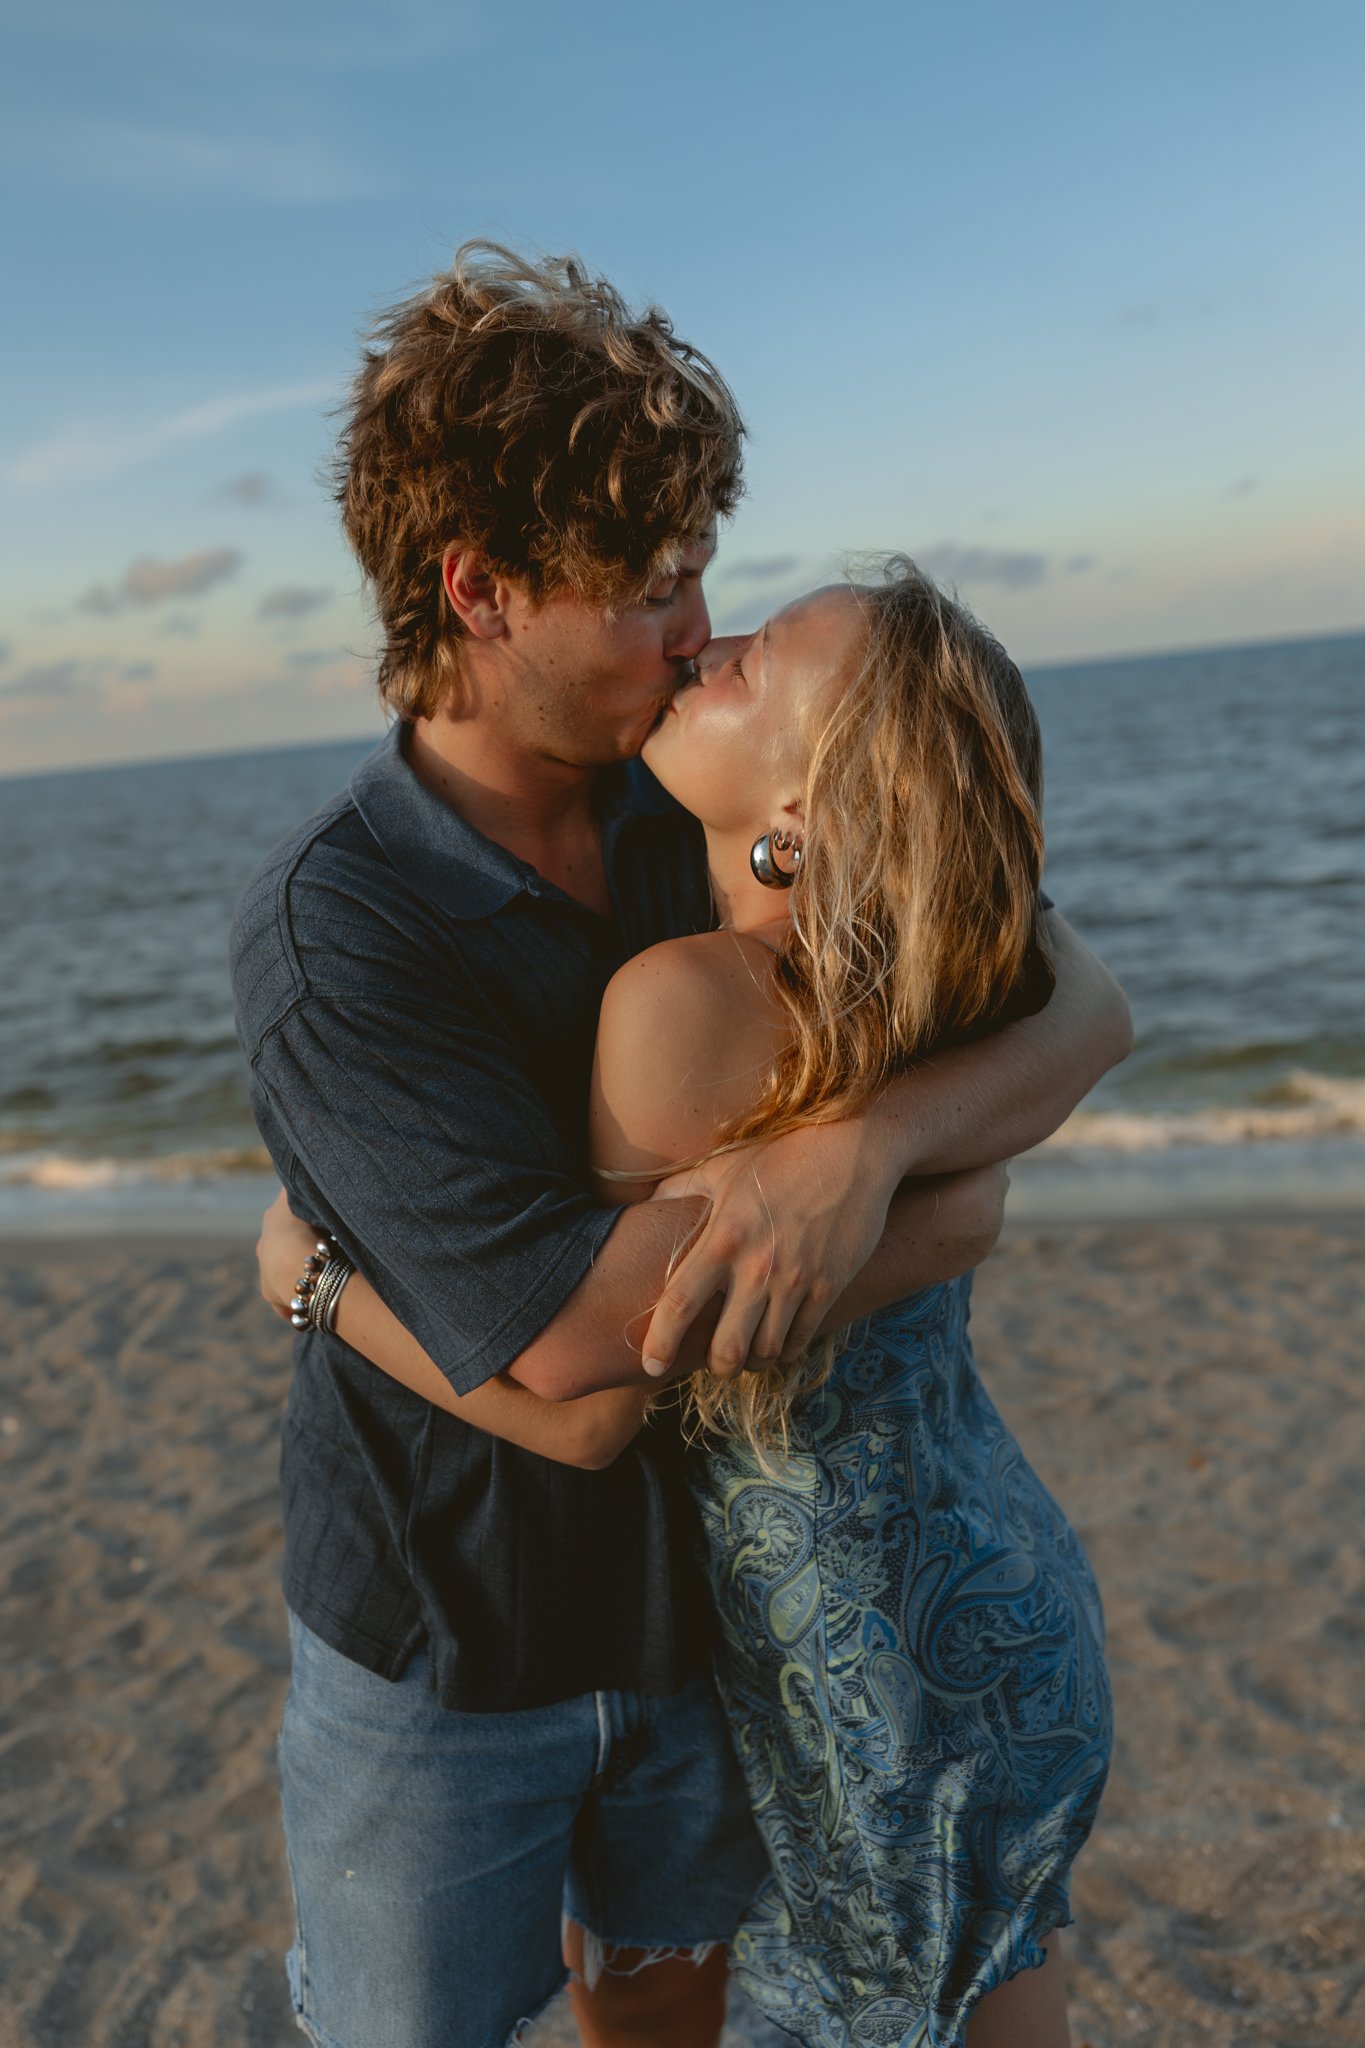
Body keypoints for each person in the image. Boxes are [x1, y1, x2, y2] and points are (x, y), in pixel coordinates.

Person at [234, 243, 1131, 2048]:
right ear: (480, 593)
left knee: (688, 2011)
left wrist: (862, 1157)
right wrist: (929, 1208)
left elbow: (1083, 1006)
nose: (694, 624)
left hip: (697, 1634)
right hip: (453, 1637)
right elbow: (574, 1380)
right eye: (651, 588)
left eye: (701, 571)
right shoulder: (340, 933)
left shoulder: (684, 815)